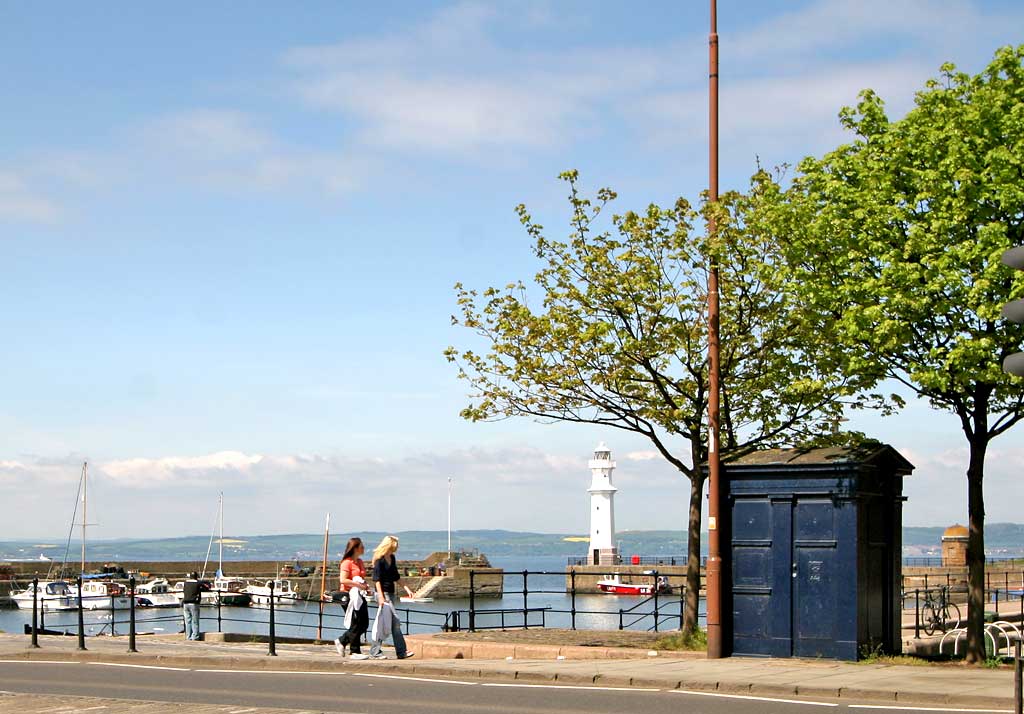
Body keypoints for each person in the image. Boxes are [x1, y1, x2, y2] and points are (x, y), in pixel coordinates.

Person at [369, 535, 415, 660]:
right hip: (383, 594)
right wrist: (381, 597)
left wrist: (407, 589)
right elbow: (376, 580)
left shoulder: (392, 558)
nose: (396, 547)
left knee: (384, 623)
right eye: (395, 545)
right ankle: (401, 651)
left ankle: (376, 650)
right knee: (395, 622)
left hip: (391, 594)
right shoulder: (380, 560)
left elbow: (396, 577)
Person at [334, 537, 371, 660]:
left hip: (360, 595)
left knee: (364, 623)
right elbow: (343, 580)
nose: (363, 548)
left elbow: (361, 578)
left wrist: (365, 587)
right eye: (361, 546)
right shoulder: (346, 562)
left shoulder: (359, 562)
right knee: (356, 622)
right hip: (348, 595)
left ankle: (342, 641)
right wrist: (359, 585)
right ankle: (354, 651)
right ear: (355, 548)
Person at [181, 571, 202, 641]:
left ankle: (188, 636)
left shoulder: (186, 583)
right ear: (196, 577)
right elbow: (204, 588)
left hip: (186, 603)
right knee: (195, 621)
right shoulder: (198, 583)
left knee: (187, 621)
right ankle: (195, 636)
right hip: (194, 603)